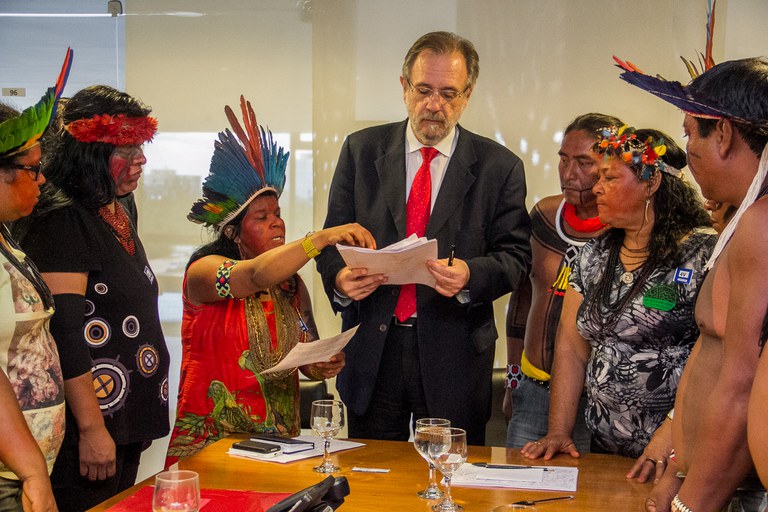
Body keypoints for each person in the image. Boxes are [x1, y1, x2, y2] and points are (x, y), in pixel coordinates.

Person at [315, 31, 532, 446]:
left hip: (455, 355)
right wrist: (340, 280)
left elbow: (516, 257)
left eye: (449, 94)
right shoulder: (361, 151)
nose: (434, 104)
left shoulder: (499, 167)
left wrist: (470, 275)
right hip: (373, 352)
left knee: (450, 474)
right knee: (374, 475)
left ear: (467, 95)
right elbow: (330, 243)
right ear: (404, 87)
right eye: (424, 90)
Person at [166, 97, 375, 464]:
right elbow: (254, 274)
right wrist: (320, 239)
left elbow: (305, 354)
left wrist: (321, 363)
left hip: (279, 447)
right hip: (212, 444)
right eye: (261, 217)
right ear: (232, 232)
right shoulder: (204, 272)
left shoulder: (291, 286)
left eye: (277, 213)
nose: (277, 222)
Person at [616, 57, 768, 512]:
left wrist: (691, 502)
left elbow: (741, 386)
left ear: (722, 134)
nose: (687, 150)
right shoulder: (746, 220)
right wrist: (680, 470)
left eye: (689, 133)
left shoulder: (761, 224)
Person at [14, 85, 169, 511]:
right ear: (91, 154)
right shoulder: (63, 218)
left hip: (125, 417)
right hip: (93, 422)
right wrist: (92, 428)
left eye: (141, 148)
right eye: (127, 150)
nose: (141, 160)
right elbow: (66, 330)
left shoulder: (118, 206)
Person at [520, 126, 715, 462]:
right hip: (605, 451)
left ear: (651, 183)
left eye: (609, 178)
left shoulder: (703, 254)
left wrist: (669, 436)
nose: (596, 188)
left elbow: (714, 358)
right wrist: (558, 432)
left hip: (677, 452)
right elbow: (571, 345)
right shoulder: (594, 254)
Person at [504, 112, 621, 452]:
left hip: (598, 399)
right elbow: (522, 300)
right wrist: (513, 379)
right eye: (564, 159)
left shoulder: (624, 230)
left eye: (584, 163)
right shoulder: (543, 216)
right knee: (519, 485)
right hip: (533, 391)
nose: (568, 174)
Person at [0, 50, 71, 512]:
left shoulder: (7, 237)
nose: (42, 179)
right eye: (32, 168)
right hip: (10, 476)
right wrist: (31, 472)